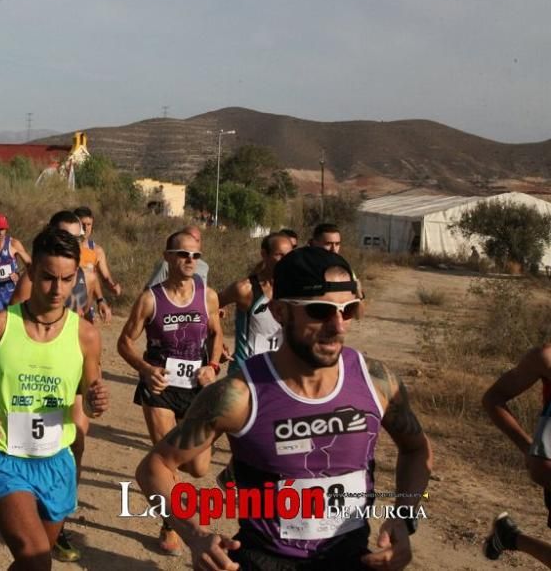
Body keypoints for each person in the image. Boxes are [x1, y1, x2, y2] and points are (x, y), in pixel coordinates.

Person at [136, 246, 433, 569]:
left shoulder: (376, 381)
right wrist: (193, 533)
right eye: (319, 311)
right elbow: (155, 469)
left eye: (348, 310)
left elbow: (416, 450)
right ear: (280, 311)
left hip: (354, 560)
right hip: (264, 561)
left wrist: (405, 517)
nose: (338, 327)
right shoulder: (238, 395)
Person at [0, 227, 109, 571]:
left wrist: (97, 401)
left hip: (57, 461)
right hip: (5, 458)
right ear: (32, 272)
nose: (57, 289)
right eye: (49, 278)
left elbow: (90, 395)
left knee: (32, 562)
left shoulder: (85, 335)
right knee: (37, 559)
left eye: (67, 279)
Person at [118, 229, 224, 554]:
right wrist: (146, 370)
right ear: (168, 257)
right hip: (160, 387)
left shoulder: (208, 295)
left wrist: (214, 366)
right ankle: (171, 526)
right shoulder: (151, 298)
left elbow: (216, 335)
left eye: (195, 255)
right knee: (169, 465)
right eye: (183, 254)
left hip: (195, 388)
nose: (190, 260)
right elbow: (124, 342)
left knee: (199, 467)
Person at [481, 344, 551, 564]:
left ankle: (510, 537)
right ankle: (510, 537)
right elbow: (494, 398)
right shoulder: (546, 357)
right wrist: (527, 447)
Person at [221, 232, 292, 369]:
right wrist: (217, 344)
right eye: (279, 255)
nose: (285, 260)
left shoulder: (295, 290)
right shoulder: (245, 289)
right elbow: (209, 306)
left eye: (288, 255)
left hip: (279, 371)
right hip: (245, 373)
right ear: (264, 254)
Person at [73, 206, 122, 299]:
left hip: (86, 305)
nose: (85, 228)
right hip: (65, 302)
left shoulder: (97, 251)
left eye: (89, 224)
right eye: (82, 224)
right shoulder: (65, 247)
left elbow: (106, 277)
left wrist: (113, 286)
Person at [145, 224, 210, 288]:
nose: (192, 242)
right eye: (189, 238)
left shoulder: (204, 267)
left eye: (197, 240)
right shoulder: (166, 265)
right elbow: (151, 290)